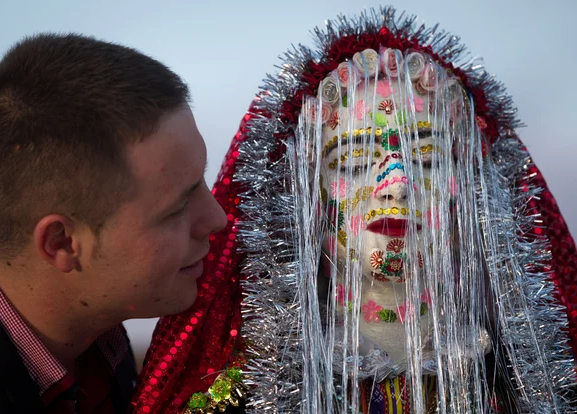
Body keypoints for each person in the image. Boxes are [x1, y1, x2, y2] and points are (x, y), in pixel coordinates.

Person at [132, 6, 577, 414]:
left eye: (428, 156)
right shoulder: (240, 394)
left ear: (472, 190)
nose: (397, 185)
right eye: (353, 160)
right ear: (305, 197)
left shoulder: (534, 383)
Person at [0, 34, 227, 413]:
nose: (217, 219)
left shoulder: (99, 341)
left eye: (201, 180)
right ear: (61, 242)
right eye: (177, 208)